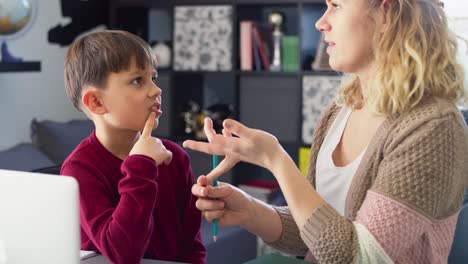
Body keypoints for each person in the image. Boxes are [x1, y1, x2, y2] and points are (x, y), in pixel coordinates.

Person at [183, 0, 468, 263]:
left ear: (387, 14)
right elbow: (316, 233)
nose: (321, 22)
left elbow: (359, 257)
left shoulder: (433, 127)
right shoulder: (340, 109)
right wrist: (250, 210)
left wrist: (276, 160)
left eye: (336, 5)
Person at [61, 30, 206, 264]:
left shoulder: (174, 157)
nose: (156, 90)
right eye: (138, 80)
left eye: (153, 78)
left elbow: (191, 246)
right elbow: (122, 254)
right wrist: (141, 167)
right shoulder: (80, 170)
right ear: (96, 102)